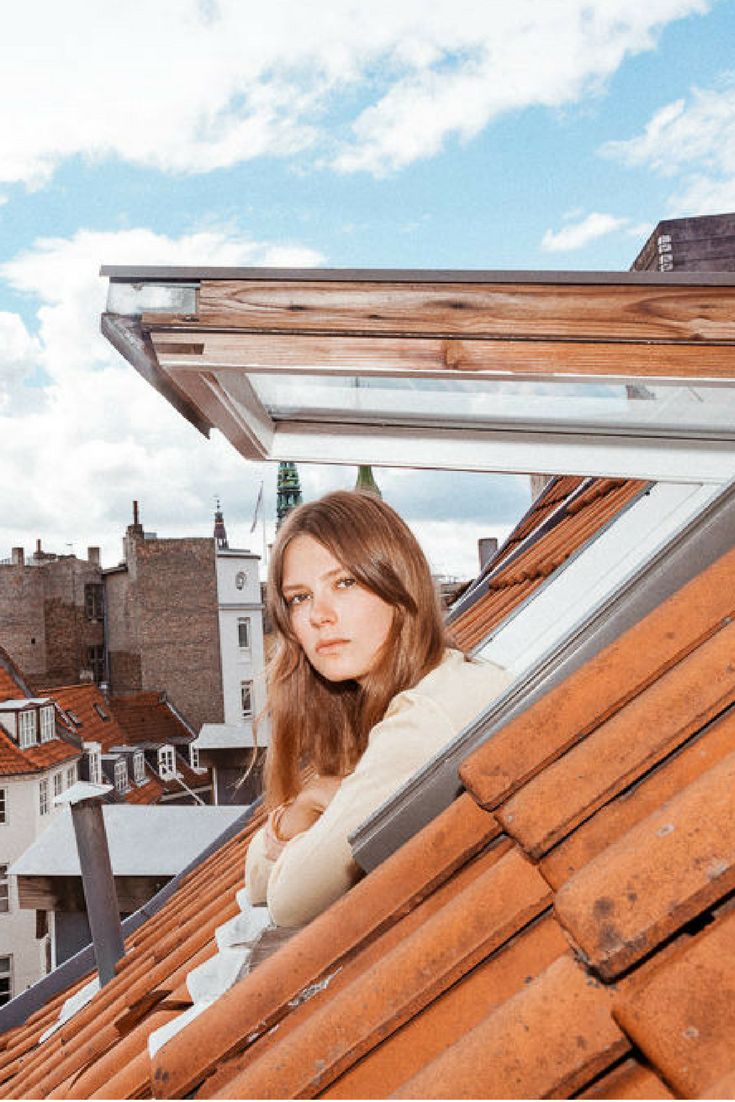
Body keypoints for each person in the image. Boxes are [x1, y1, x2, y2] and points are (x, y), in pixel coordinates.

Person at [245, 490, 512, 927]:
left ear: (397, 585)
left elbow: (292, 900)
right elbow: (256, 879)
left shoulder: (426, 718)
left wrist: (316, 804)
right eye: (299, 597)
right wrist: (296, 816)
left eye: (344, 583)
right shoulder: (420, 691)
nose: (319, 615)